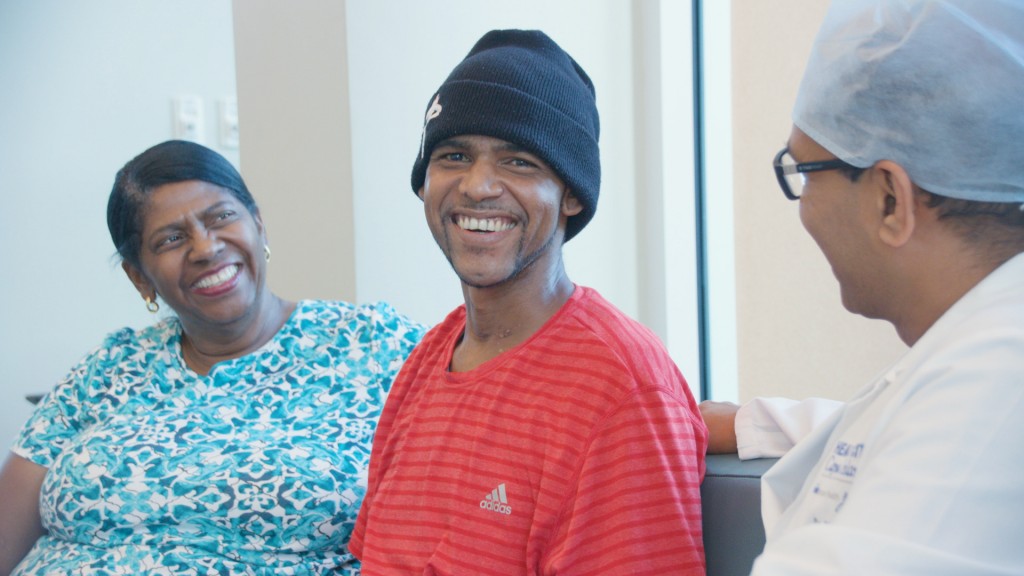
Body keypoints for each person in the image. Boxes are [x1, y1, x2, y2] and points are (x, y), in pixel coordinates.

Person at [348, 30, 708, 575]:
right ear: (425, 182)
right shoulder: (425, 363)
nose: (477, 186)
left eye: (518, 162)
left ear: (572, 194)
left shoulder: (619, 386)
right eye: (454, 155)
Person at [0, 140, 425, 575]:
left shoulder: (374, 343)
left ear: (259, 225)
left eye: (221, 217)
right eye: (171, 239)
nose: (205, 248)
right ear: (139, 277)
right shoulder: (108, 368)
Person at [702, 1, 1024, 573]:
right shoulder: (980, 352)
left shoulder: (995, 385)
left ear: (889, 200)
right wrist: (745, 423)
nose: (802, 207)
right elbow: (893, 423)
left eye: (803, 172)